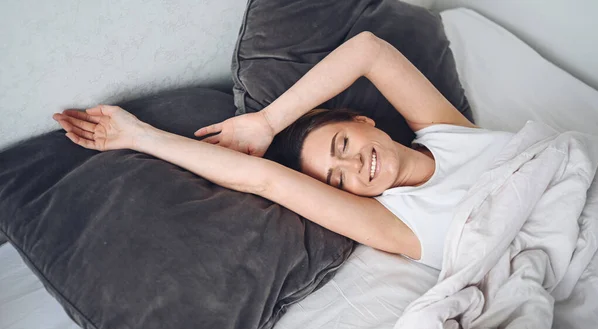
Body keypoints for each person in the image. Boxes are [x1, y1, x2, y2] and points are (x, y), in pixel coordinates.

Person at [52, 31, 512, 269]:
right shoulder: (396, 224)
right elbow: (265, 179)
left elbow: (369, 51)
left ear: (363, 121)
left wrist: (268, 121)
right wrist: (138, 136)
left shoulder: (450, 132)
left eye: (343, 144)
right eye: (338, 178)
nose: (353, 166)